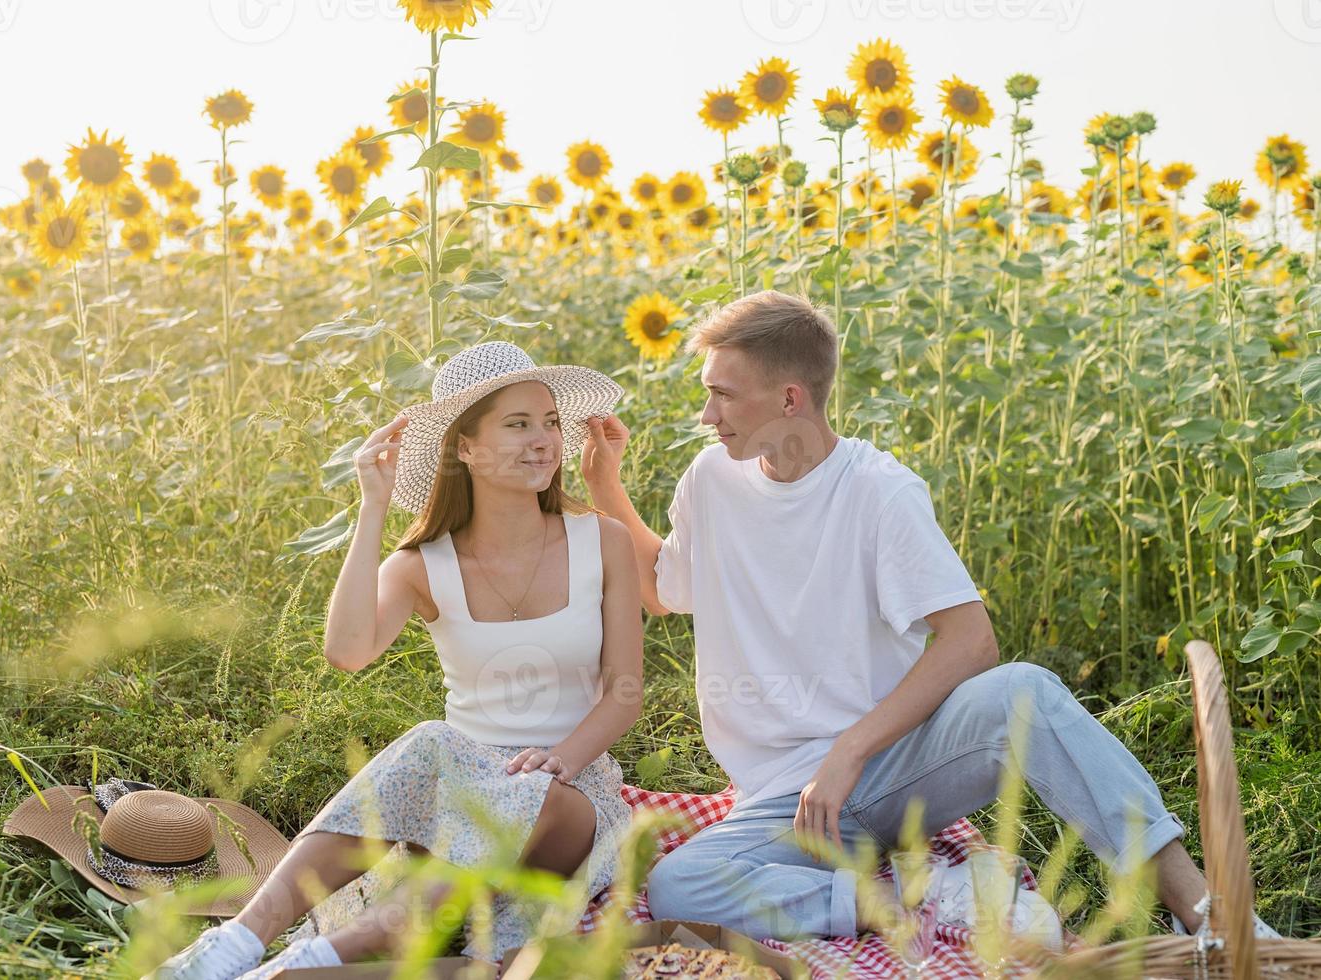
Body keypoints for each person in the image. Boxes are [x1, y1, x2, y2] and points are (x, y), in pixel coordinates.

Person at [578, 289, 1281, 947]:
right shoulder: (709, 481)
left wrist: (849, 749)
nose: (707, 416)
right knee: (680, 884)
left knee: (1023, 692)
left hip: (894, 768)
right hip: (784, 802)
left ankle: (1212, 915)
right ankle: (923, 897)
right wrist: (604, 483)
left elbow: (971, 641)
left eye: (721, 395)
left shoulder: (878, 492)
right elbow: (664, 591)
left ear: (789, 397)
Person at [155, 341, 643, 979]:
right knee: (430, 739)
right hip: (461, 799)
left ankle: (308, 962)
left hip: (575, 796)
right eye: (518, 425)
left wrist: (562, 759)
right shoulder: (421, 567)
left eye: (550, 422)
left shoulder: (601, 540)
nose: (544, 440)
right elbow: (348, 652)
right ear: (464, 448)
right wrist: (372, 509)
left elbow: (625, 692)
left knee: (532, 792)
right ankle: (240, 944)